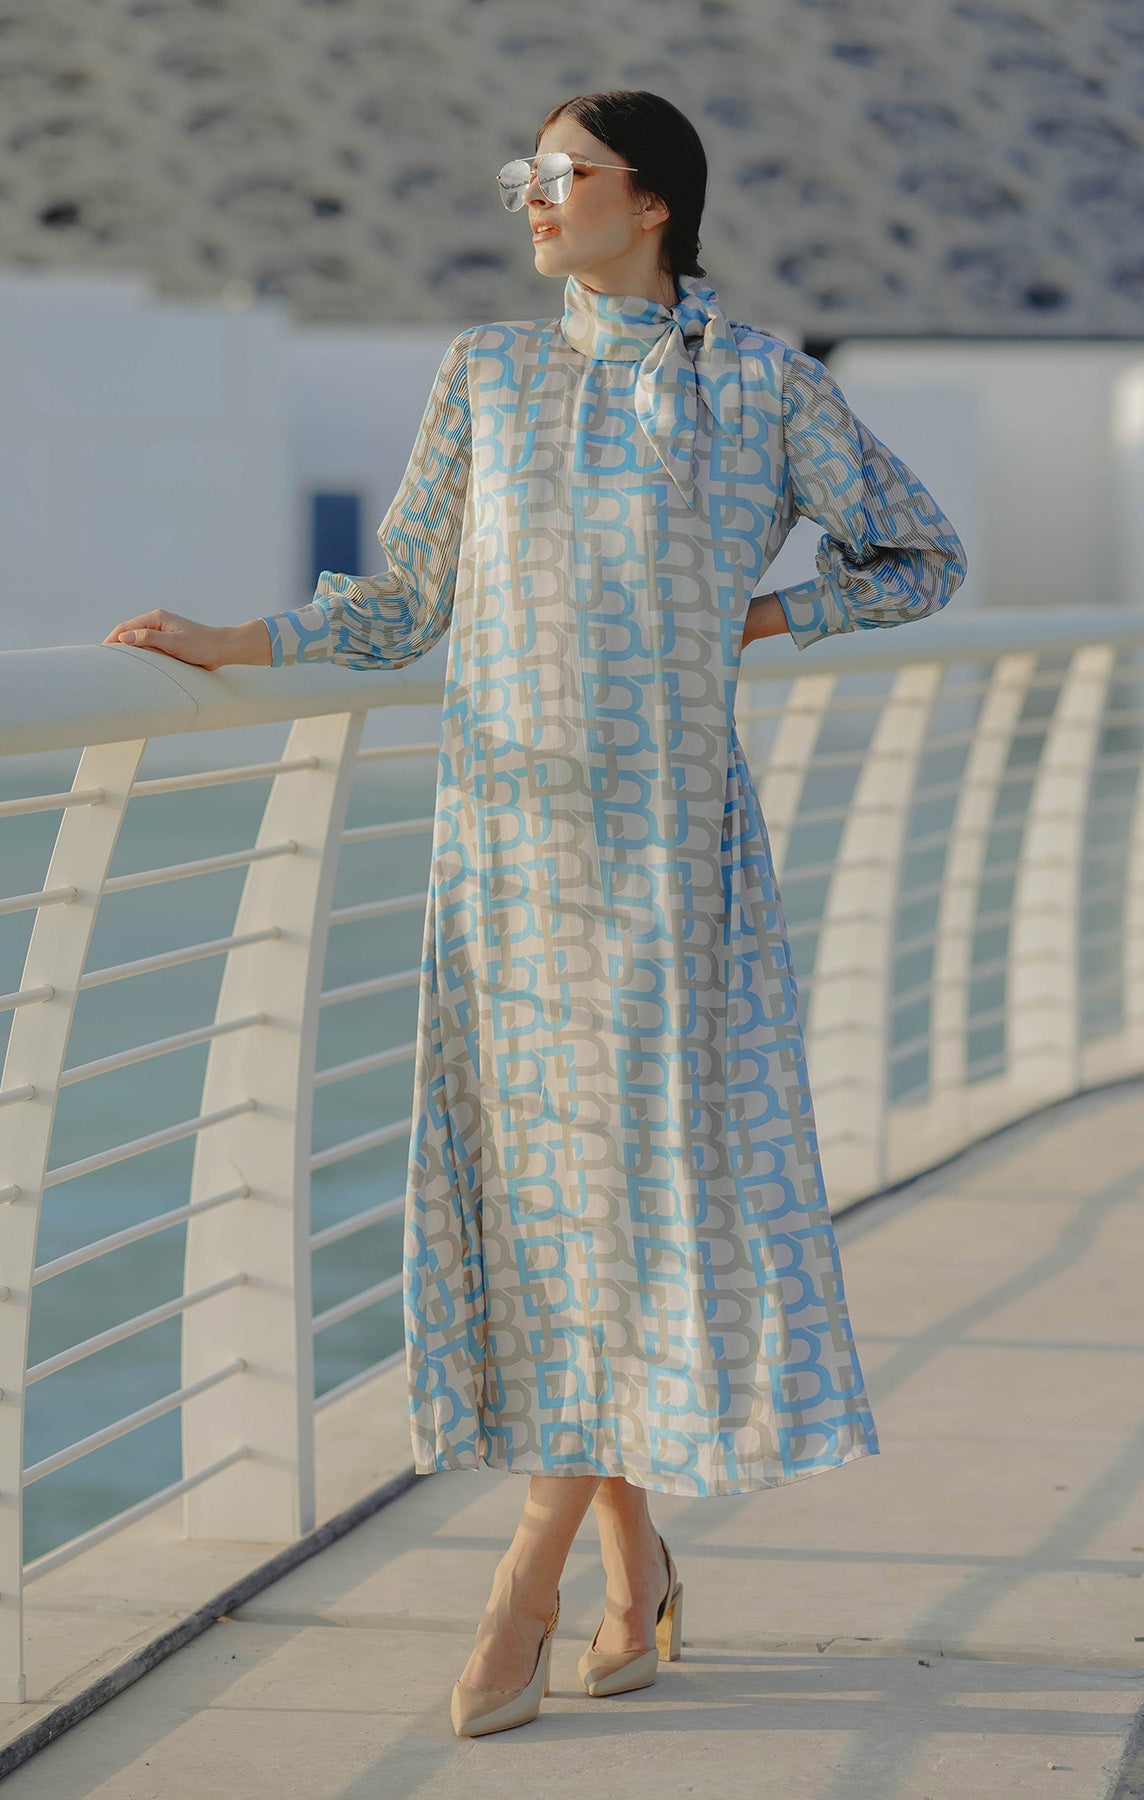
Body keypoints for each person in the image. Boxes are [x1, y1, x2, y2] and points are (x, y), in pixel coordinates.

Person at [104, 89, 967, 1737]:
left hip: (669, 863)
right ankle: (638, 1568)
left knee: (630, 1199)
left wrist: (767, 616)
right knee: (560, 1212)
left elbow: (921, 554)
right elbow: (410, 599)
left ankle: (526, 1578)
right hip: (507, 858)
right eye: (528, 174)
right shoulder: (487, 376)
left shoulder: (761, 384)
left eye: (564, 173)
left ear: (653, 204)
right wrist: (238, 642)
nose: (534, 196)